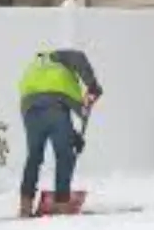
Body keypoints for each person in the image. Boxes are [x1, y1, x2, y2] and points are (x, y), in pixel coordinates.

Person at [17, 49, 102, 217]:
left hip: (29, 107)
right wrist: (92, 85)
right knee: (64, 154)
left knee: (34, 155)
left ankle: (25, 206)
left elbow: (77, 109)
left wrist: (74, 136)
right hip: (55, 104)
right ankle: (62, 203)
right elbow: (79, 58)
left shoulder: (38, 65)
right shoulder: (62, 58)